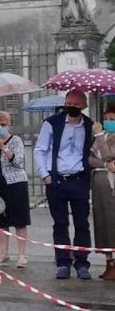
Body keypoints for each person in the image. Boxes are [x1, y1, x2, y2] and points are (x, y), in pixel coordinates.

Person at [34, 89, 94, 280]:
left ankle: (82, 262)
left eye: (76, 105)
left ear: (83, 106)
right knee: (60, 223)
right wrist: (45, 175)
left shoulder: (90, 126)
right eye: (69, 103)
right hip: (57, 180)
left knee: (82, 223)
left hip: (79, 180)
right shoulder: (52, 123)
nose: (72, 108)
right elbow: (40, 150)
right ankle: (63, 263)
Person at [0, 110, 30, 268]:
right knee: (1, 221)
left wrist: (4, 148)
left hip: (16, 183)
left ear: (9, 125)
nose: (0, 127)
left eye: (3, 125)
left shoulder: (16, 140)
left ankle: (22, 255)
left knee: (19, 221)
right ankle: (3, 253)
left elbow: (19, 162)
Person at [89, 106, 115, 281]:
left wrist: (98, 135)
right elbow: (90, 159)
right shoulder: (102, 136)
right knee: (102, 222)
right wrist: (104, 165)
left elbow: (108, 155)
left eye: (112, 119)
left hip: (111, 187)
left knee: (112, 222)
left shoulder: (103, 137)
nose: (108, 122)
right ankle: (108, 262)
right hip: (98, 185)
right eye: (107, 119)